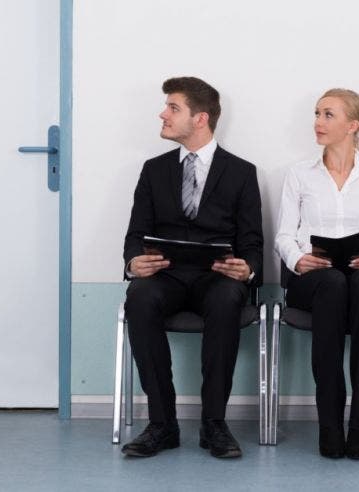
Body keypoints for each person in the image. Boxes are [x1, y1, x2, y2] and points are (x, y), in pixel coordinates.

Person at [121, 76, 263, 459]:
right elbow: (135, 234)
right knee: (139, 297)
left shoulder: (241, 172)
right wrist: (135, 261)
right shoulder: (154, 170)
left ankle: (213, 424)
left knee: (227, 299)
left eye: (173, 108)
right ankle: (162, 424)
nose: (162, 114)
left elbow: (252, 242)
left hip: (216, 278)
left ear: (200, 118)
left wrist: (246, 268)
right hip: (165, 276)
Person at [274, 88, 359, 460]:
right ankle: (329, 424)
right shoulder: (299, 174)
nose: (318, 122)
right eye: (316, 114)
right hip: (314, 279)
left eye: (328, 115)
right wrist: (298, 258)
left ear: (352, 125)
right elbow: (283, 234)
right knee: (331, 281)